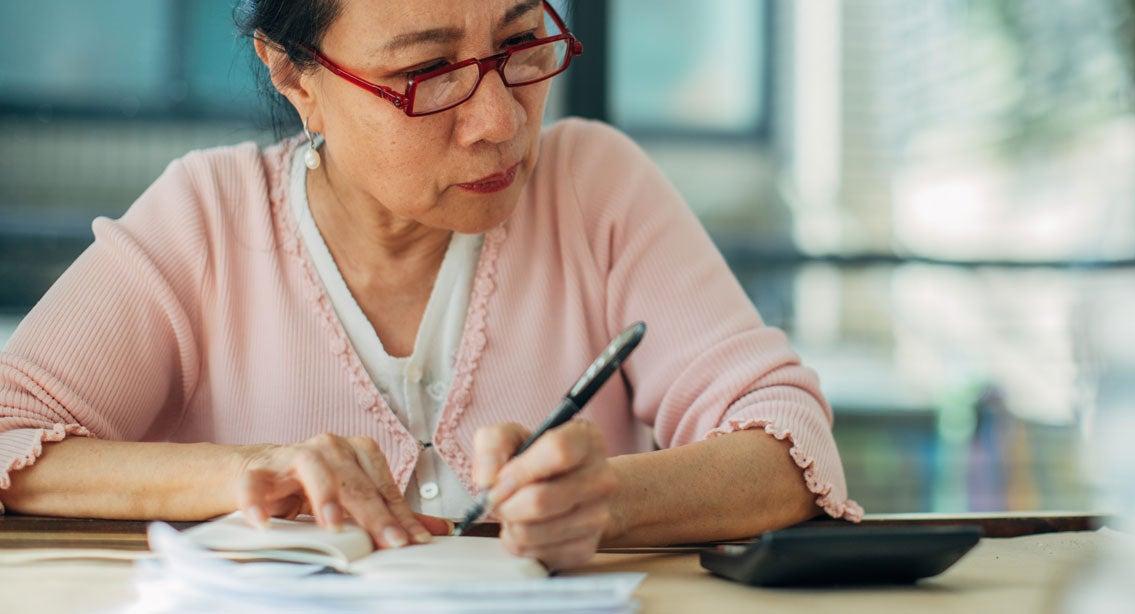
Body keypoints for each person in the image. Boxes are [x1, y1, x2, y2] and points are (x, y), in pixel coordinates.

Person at [0, 0, 860, 570]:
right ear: (294, 76)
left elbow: (791, 446)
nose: (498, 122)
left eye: (519, 45)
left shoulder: (593, 187)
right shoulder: (208, 220)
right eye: (426, 75)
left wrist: (609, 500)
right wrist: (248, 474)